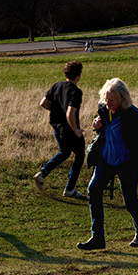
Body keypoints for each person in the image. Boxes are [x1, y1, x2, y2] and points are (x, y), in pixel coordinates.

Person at [77, 78, 138, 250]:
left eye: (111, 100)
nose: (107, 102)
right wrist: (97, 126)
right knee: (93, 190)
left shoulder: (133, 115)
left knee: (129, 200)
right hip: (106, 160)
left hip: (127, 163)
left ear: (122, 99)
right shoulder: (104, 109)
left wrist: (135, 161)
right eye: (105, 98)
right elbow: (104, 129)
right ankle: (97, 238)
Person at [34, 60, 88, 200]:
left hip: (56, 127)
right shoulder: (76, 92)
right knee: (80, 156)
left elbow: (43, 103)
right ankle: (70, 189)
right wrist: (76, 130)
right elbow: (70, 114)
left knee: (64, 152)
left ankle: (43, 173)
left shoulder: (57, 86)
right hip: (69, 129)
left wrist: (56, 110)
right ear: (78, 75)